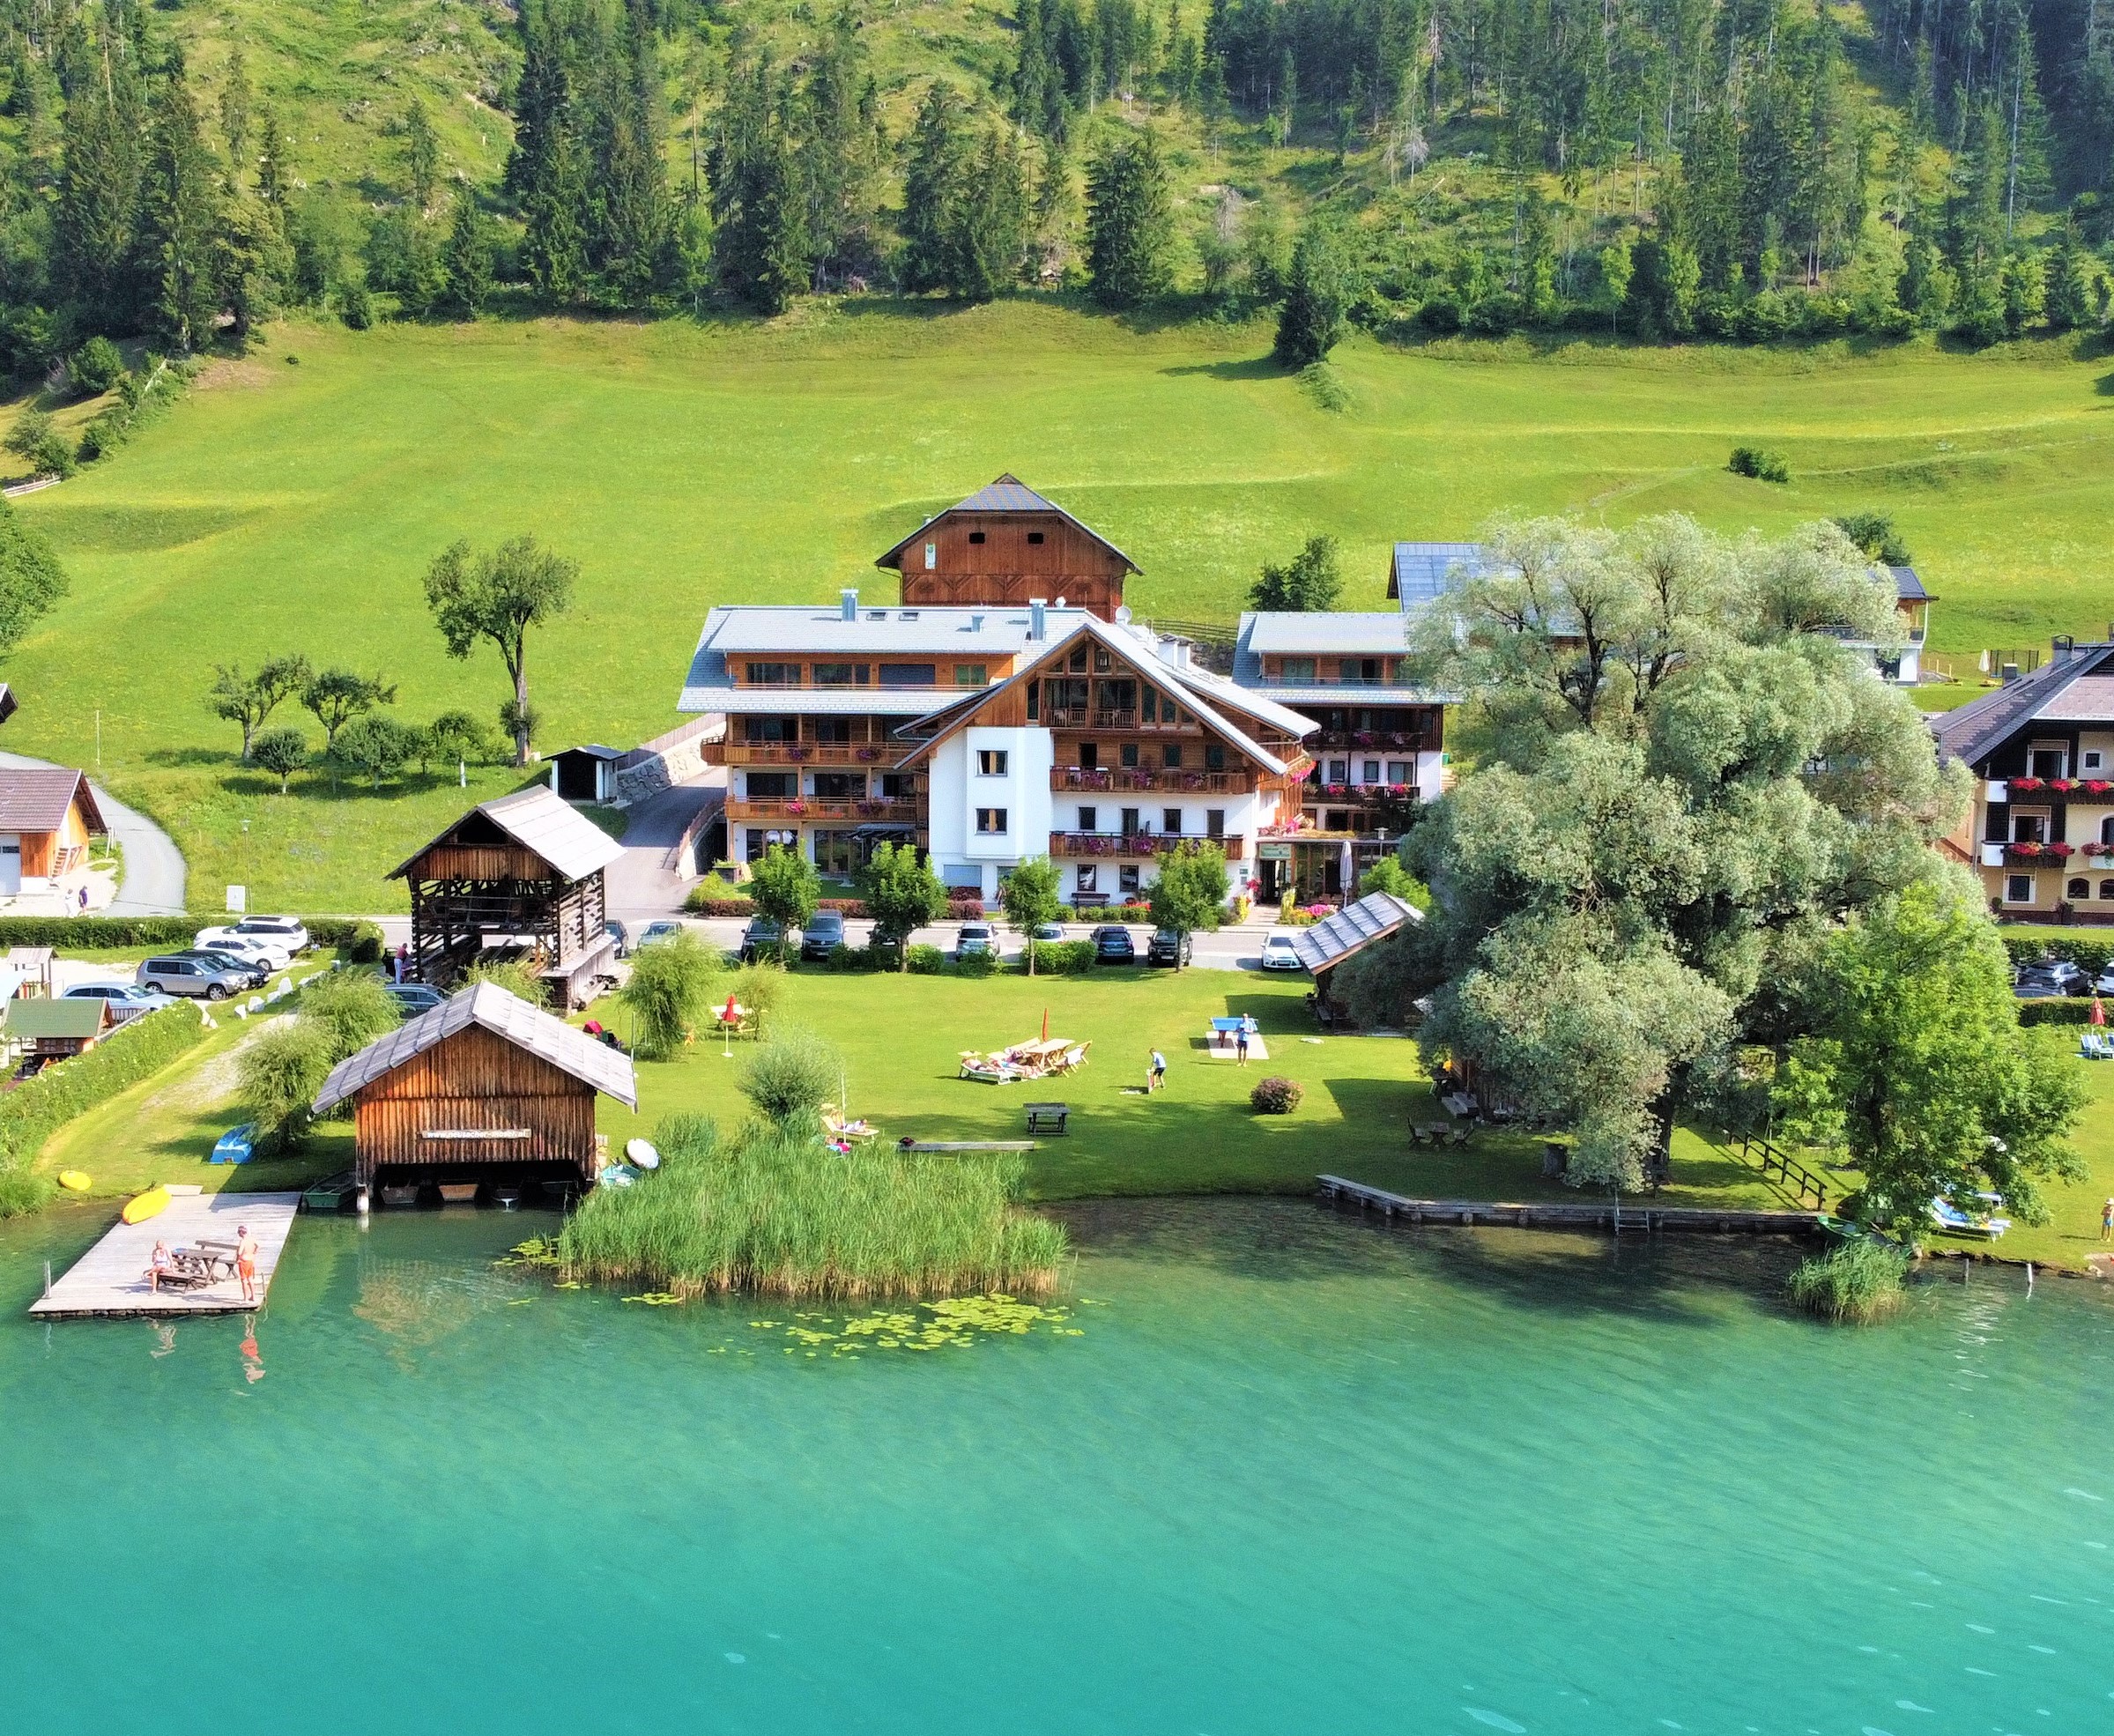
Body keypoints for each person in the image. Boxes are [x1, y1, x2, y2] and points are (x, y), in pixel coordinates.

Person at [234, 1224, 259, 1303]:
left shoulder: (243, 1241)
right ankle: (253, 1297)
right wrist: (255, 1252)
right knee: (250, 1279)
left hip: (244, 1262)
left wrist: (238, 1258)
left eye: (239, 1232)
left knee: (244, 1280)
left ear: (241, 1233)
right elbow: (258, 1245)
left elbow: (239, 1252)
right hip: (251, 1260)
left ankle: (245, 1299)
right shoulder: (252, 1239)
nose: (238, 1234)